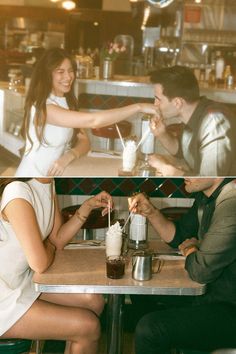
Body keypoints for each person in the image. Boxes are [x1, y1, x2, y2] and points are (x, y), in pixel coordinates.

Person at [0, 177, 113, 354]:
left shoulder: (47, 183)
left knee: (94, 301)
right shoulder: (17, 192)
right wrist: (48, 248)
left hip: (21, 282)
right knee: (89, 327)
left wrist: (88, 206)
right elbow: (40, 263)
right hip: (4, 299)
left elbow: (58, 239)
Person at [128, 178, 236, 354]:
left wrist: (191, 249)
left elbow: (200, 271)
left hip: (230, 309)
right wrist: (151, 212)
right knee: (143, 294)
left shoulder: (231, 202)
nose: (185, 171)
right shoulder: (205, 197)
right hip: (211, 294)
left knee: (150, 330)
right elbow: (180, 236)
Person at [15, 48, 158, 177]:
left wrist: (68, 156)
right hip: (31, 177)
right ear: (47, 75)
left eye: (71, 70)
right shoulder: (44, 108)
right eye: (60, 72)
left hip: (51, 177)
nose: (68, 77)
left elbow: (85, 142)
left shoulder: (66, 102)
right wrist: (138, 107)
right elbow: (93, 121)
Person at [147, 65, 236, 176]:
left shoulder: (214, 122)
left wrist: (169, 170)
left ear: (177, 103)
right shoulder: (193, 113)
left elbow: (211, 183)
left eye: (158, 99)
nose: (155, 104)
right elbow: (182, 152)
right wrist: (162, 134)